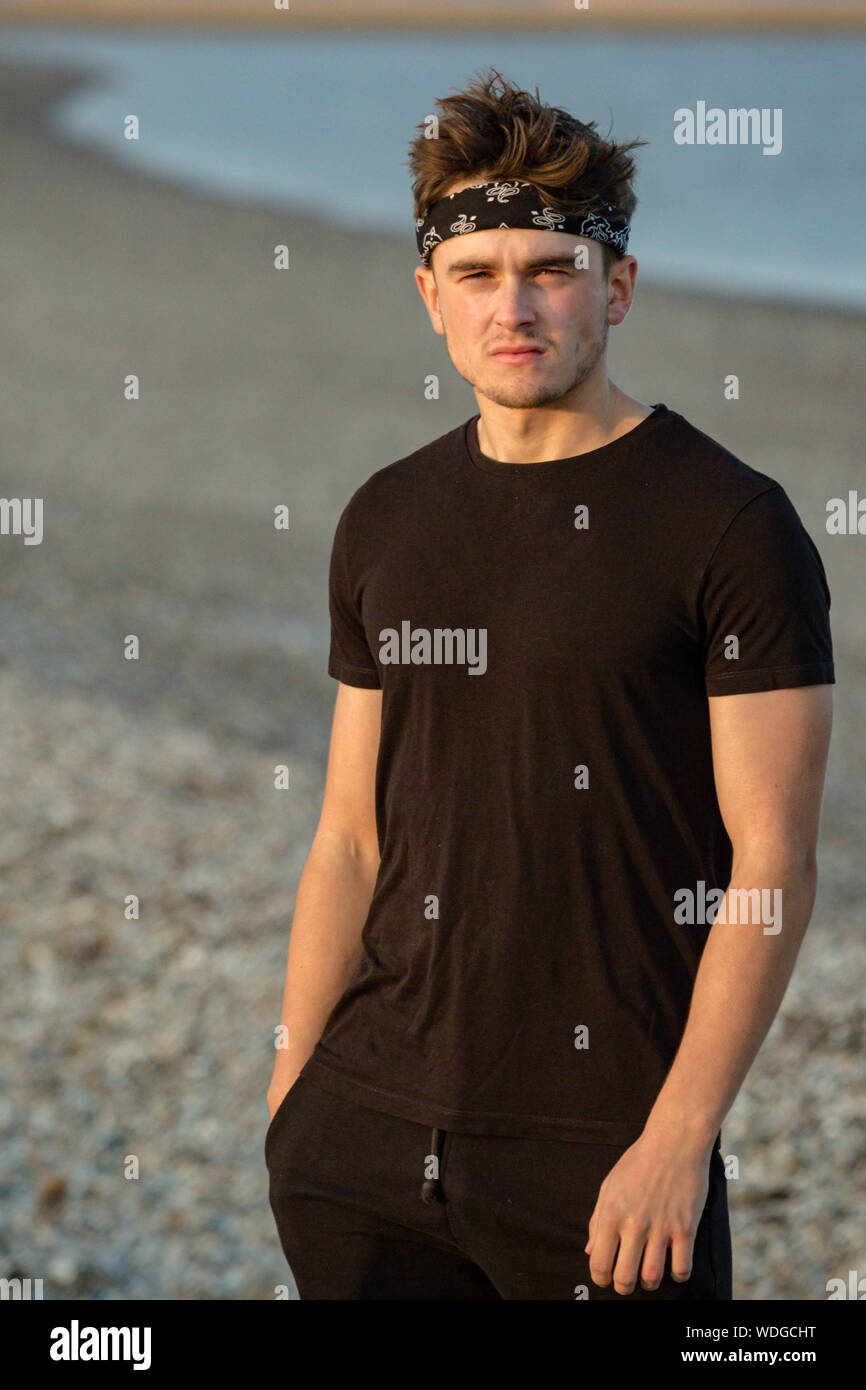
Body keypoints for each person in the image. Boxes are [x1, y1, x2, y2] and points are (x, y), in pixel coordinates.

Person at [264, 68, 834, 1300]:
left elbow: (770, 861)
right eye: (475, 274)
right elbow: (350, 837)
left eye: (551, 268)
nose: (511, 305)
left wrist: (677, 1138)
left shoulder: (730, 526)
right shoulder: (383, 517)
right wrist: (296, 1087)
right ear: (430, 298)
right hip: (361, 1137)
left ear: (614, 287)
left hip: (605, 1158)